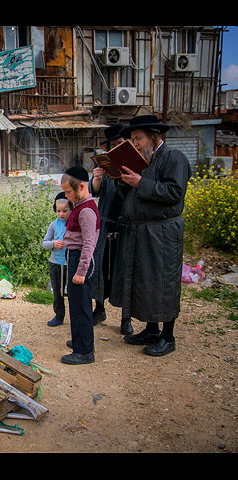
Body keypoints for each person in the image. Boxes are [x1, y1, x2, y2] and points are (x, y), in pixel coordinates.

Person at [115, 114, 192, 357]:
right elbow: (132, 195)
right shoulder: (145, 160)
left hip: (163, 232)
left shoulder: (174, 158)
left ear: (154, 136)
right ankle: (151, 329)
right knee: (146, 282)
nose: (135, 144)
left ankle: (168, 337)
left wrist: (140, 183)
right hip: (143, 230)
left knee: (163, 282)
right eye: (133, 140)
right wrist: (121, 180)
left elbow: (174, 192)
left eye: (138, 139)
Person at [90, 124, 133, 335]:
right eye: (112, 146)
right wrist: (97, 178)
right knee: (100, 268)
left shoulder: (135, 166)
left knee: (123, 269)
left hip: (126, 224)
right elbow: (96, 192)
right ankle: (99, 309)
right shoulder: (107, 166)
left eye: (119, 144)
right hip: (105, 222)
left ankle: (126, 318)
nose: (115, 148)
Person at [59, 166, 100, 365]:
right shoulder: (79, 206)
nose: (66, 196)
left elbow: (89, 243)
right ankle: (79, 341)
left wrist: (81, 271)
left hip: (80, 260)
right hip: (73, 257)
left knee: (81, 306)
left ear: (82, 187)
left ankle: (84, 352)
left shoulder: (86, 211)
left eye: (69, 191)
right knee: (75, 304)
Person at [42, 191, 72, 327]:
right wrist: (54, 243)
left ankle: (76, 318)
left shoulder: (74, 223)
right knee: (58, 292)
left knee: (72, 292)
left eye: (65, 211)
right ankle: (59, 316)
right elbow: (44, 243)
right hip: (55, 263)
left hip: (70, 263)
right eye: (59, 211)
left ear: (71, 208)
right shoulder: (53, 225)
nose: (62, 214)